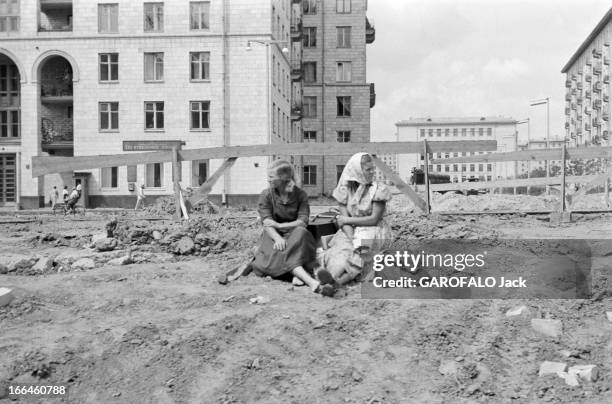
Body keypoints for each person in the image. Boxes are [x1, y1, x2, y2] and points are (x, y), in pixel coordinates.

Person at [251, 160, 334, 297]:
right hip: (272, 235)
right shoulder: (266, 194)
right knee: (277, 254)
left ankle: (301, 276)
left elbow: (302, 222)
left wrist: (279, 225)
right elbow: (267, 222)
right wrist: (277, 236)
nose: (268, 179)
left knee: (302, 233)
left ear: (283, 178)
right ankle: (311, 280)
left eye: (271, 177)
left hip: (295, 233)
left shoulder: (300, 195)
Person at [317, 152, 393, 287]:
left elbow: (374, 219)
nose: (372, 172)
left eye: (373, 169)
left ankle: (337, 283)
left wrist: (347, 221)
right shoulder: (344, 188)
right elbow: (342, 220)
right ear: (357, 170)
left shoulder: (378, 189)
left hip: (373, 230)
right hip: (350, 230)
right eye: (368, 169)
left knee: (360, 250)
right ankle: (330, 278)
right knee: (342, 254)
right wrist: (352, 237)